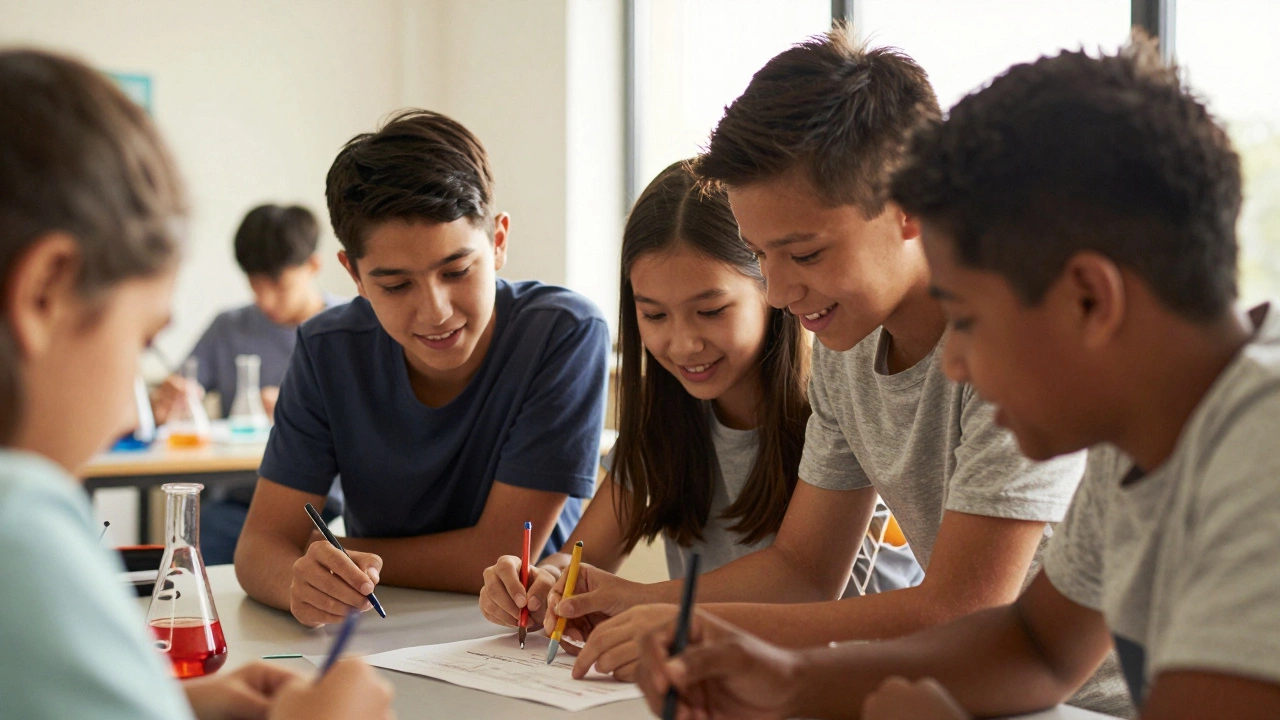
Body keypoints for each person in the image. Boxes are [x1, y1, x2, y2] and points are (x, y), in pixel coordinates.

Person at [635, 37, 1280, 720]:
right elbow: (1035, 646)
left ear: (1089, 299)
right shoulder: (1145, 432)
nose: (954, 363)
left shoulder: (1260, 452)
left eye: (969, 320)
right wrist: (789, 680)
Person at [561, 26, 1128, 715]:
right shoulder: (844, 341)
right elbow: (803, 568)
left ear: (910, 206)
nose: (774, 291)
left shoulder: (1014, 337)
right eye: (758, 253)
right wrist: (643, 604)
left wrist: (697, 624)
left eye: (803, 254)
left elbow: (965, 609)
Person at [0, 48, 391, 720]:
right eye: (141, 338)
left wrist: (166, 700)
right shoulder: (21, 531)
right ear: (45, 293)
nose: (129, 414)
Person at [477, 162, 921, 676]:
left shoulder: (835, 411)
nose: (683, 343)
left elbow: (802, 582)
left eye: (710, 311)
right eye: (655, 315)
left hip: (864, 683)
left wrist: (645, 601)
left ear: (771, 292)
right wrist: (541, 582)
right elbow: (582, 557)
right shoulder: (666, 428)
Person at [235, 110, 611, 628]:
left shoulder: (562, 333)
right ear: (354, 275)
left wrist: (328, 547)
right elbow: (257, 548)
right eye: (395, 286)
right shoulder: (328, 349)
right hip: (378, 630)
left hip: (511, 633)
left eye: (456, 271)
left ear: (498, 241)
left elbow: (496, 552)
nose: (434, 310)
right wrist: (297, 580)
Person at [151, 203, 345, 565]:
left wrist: (299, 409)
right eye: (255, 286)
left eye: (278, 285)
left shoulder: (349, 328)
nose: (265, 300)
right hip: (242, 504)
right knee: (193, 547)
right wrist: (165, 400)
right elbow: (174, 396)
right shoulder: (229, 328)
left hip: (331, 506)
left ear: (313, 266)